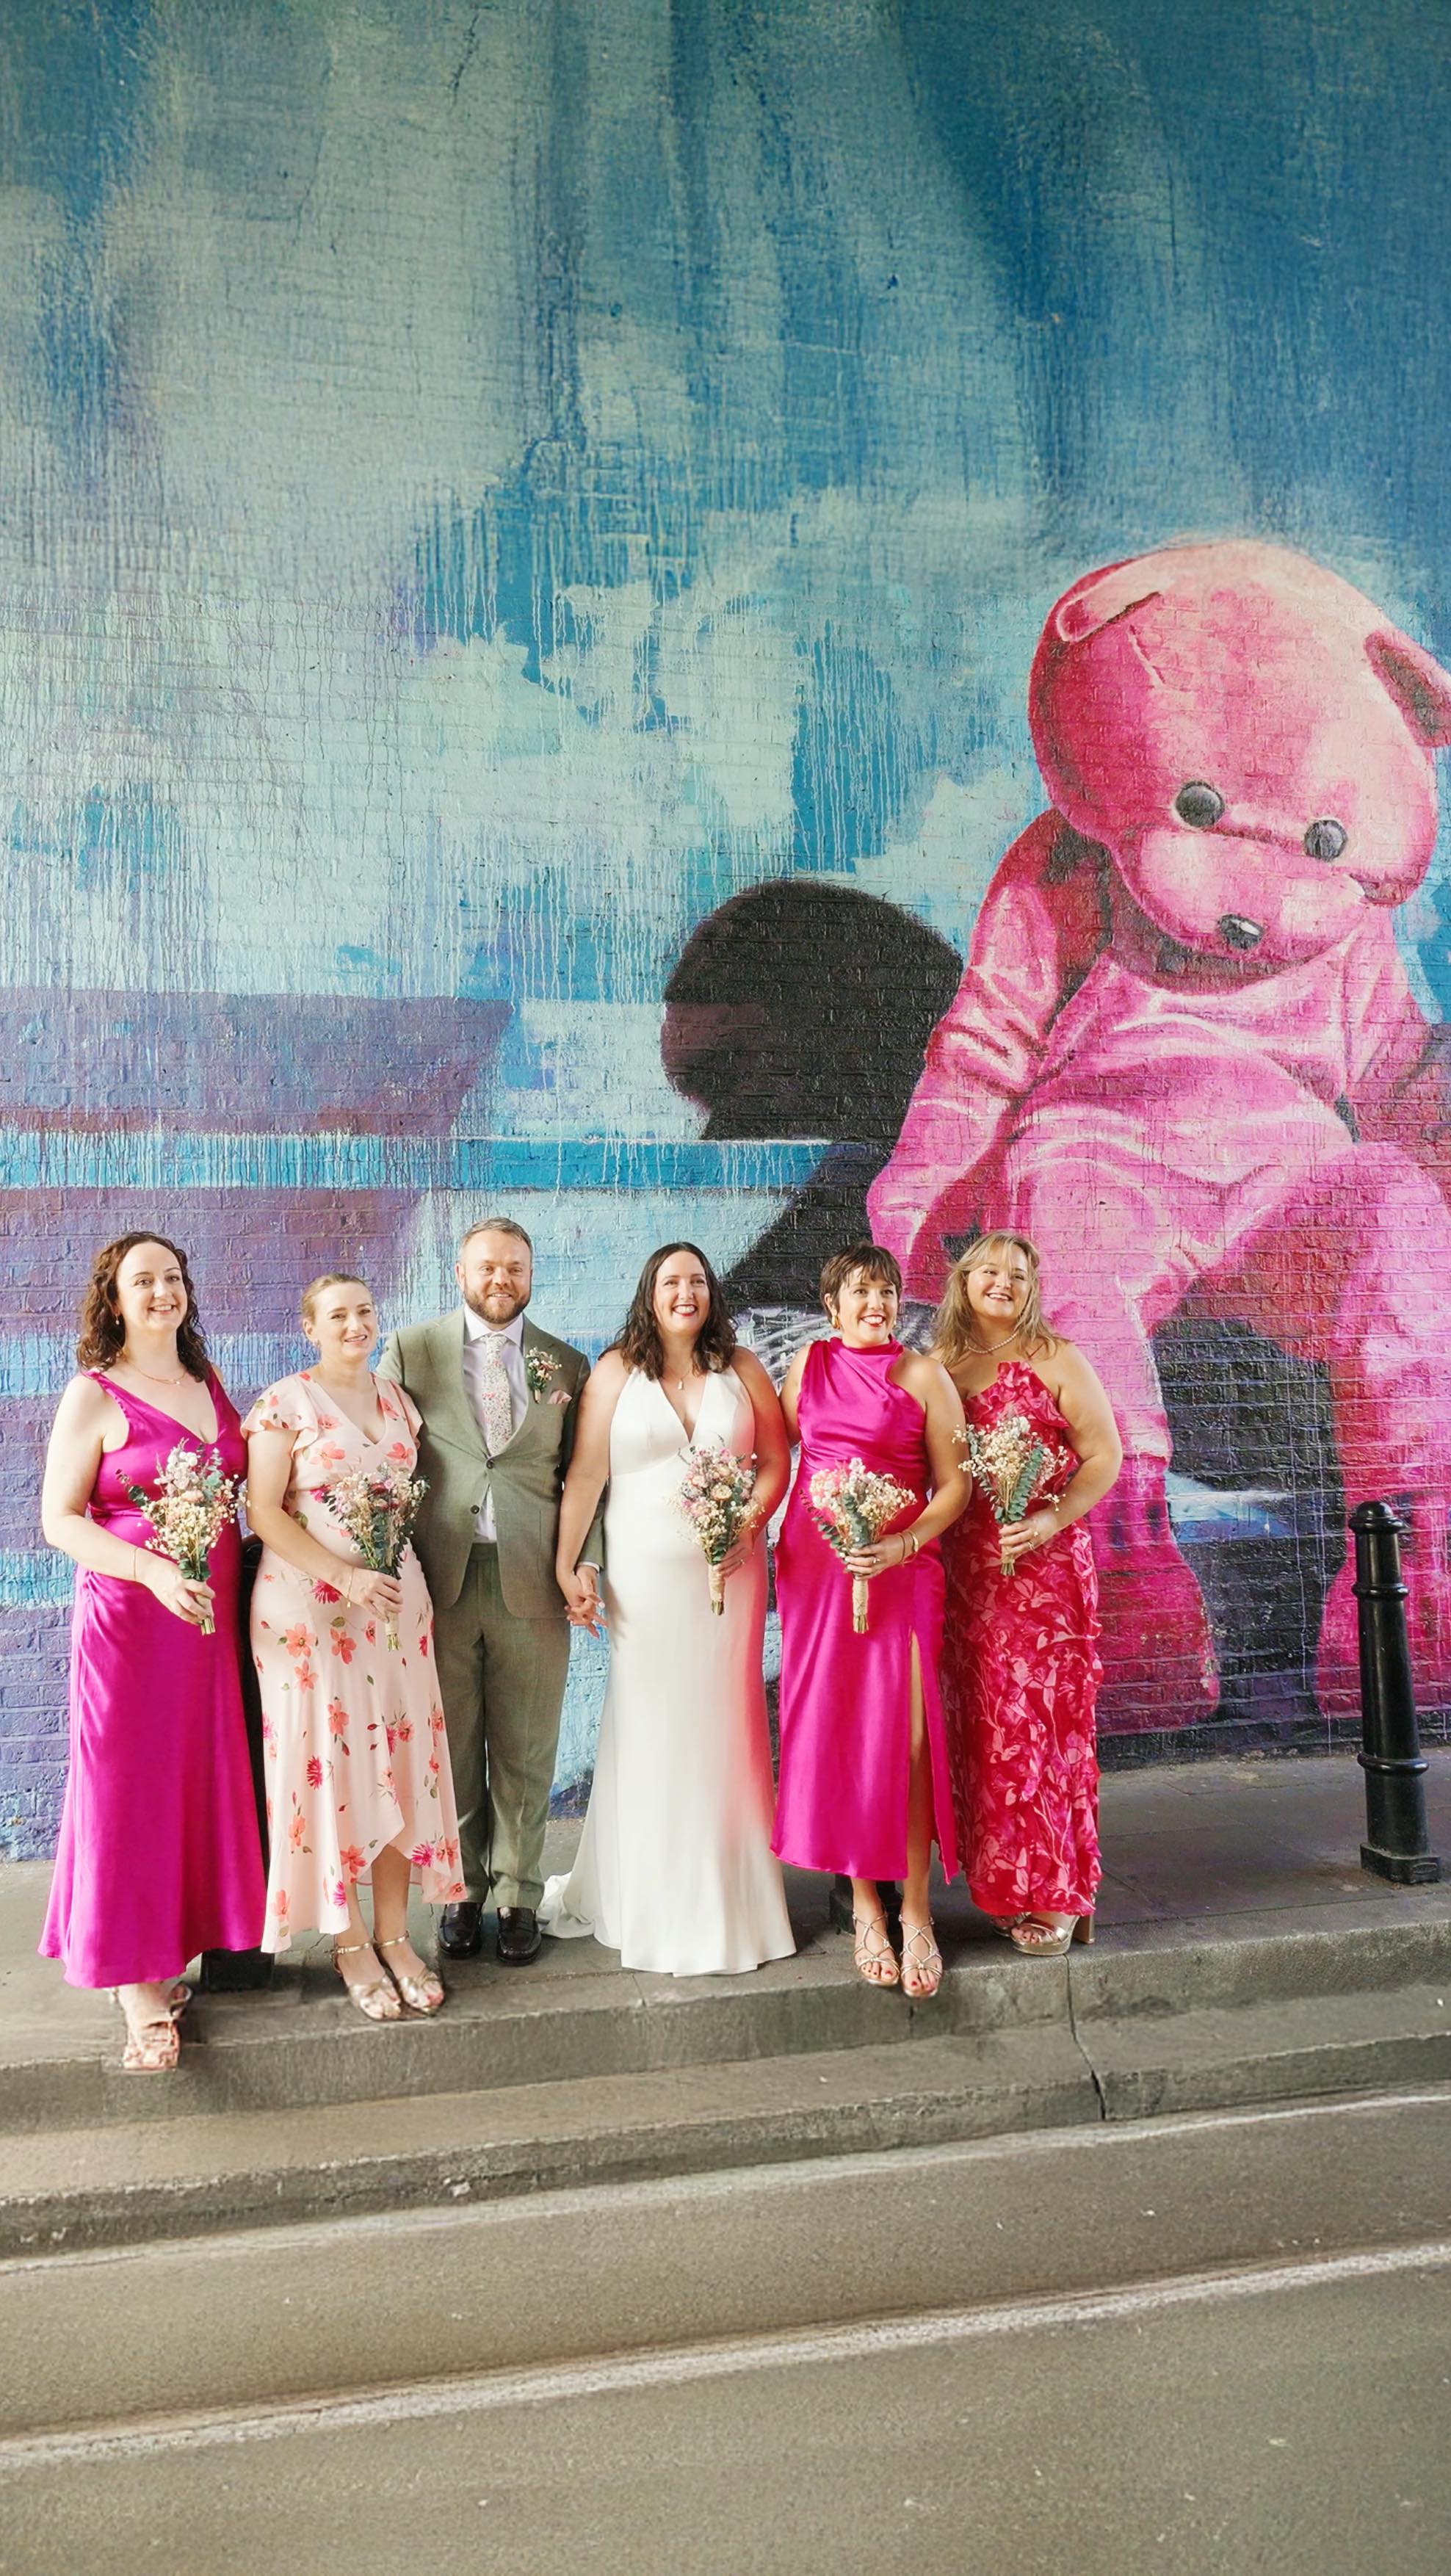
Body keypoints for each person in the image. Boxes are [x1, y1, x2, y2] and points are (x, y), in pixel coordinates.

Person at [38, 1234, 266, 2070]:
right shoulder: (92, 1394)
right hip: (131, 1624)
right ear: (116, 1299)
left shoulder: (208, 1383)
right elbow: (58, 1519)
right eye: (144, 1281)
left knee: (192, 1785)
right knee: (129, 1791)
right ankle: (136, 1986)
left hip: (206, 1627)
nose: (162, 1291)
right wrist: (148, 1568)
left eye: (172, 1277)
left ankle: (172, 1954)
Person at [541, 1243, 795, 1977]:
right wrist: (567, 1564)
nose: (684, 1292)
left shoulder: (743, 1368)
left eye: (695, 1281)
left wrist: (746, 1521)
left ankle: (731, 1895)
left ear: (710, 1292)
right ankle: (643, 1894)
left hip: (731, 1575)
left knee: (725, 1720)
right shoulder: (617, 1369)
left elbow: (774, 1461)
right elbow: (587, 1472)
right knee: (651, 1721)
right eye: (669, 1282)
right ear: (648, 1293)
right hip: (642, 1578)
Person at [377, 1219, 598, 1965]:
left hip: (533, 1580)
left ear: (531, 1274)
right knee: (451, 1745)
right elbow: (382, 1461)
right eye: (486, 1266)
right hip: (438, 1580)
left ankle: (517, 1896)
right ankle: (461, 1894)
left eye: (514, 1267)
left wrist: (584, 1565)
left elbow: (584, 1483)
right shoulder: (412, 1351)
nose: (500, 1278)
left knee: (527, 1751)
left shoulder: (566, 1363)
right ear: (460, 1271)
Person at [242, 1275, 463, 2016]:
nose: (355, 1324)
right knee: (333, 1770)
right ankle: (348, 1939)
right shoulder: (284, 1404)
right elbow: (264, 1514)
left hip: (396, 1611)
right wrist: (342, 1576)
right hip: (312, 1614)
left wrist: (386, 1585)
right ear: (309, 1327)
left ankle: (397, 1934)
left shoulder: (399, 1402)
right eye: (337, 1315)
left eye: (365, 1311)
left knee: (400, 1766)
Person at [772, 1245, 968, 1998]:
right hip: (819, 1570)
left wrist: (902, 1541)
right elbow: (778, 1453)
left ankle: (914, 1907)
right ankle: (862, 1904)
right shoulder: (806, 1367)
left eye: (885, 1291)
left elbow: (952, 1487)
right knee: (843, 1729)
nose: (875, 1303)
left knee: (909, 1734)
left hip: (902, 1567)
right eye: (859, 1290)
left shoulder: (922, 1375)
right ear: (831, 1303)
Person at [933, 1231, 1123, 1955]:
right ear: (963, 1279)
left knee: (1039, 1724)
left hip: (1042, 1577)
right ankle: (1012, 1885)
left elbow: (1103, 1452)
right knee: (987, 1731)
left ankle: (1062, 1890)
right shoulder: (943, 1366)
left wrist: (1047, 1517)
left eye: (1015, 1274)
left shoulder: (1055, 1357)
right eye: (988, 1270)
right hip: (969, 1576)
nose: (1001, 1283)